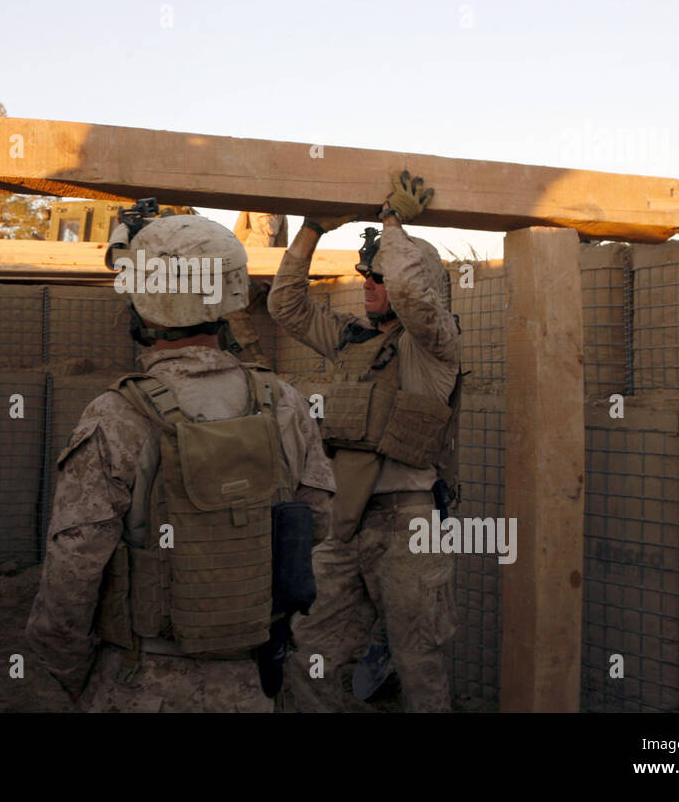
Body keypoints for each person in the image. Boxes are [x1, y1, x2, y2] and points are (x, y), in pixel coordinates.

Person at [25, 211, 335, 711]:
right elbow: (317, 524)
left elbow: (73, 569)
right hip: (252, 681)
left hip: (140, 682)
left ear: (144, 307)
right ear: (228, 295)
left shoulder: (116, 414)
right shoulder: (285, 402)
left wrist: (69, 673)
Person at [268, 172, 462, 712]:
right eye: (363, 274)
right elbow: (285, 306)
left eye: (375, 275)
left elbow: (411, 295)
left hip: (407, 526)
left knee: (418, 661)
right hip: (343, 525)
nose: (367, 283)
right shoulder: (354, 340)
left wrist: (393, 224)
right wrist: (310, 231)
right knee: (313, 652)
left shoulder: (435, 344)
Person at [226, 212, 289, 368]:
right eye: (263, 217)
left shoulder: (271, 233)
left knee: (232, 308)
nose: (268, 221)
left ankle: (257, 359)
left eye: (273, 216)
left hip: (261, 283)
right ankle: (254, 358)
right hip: (245, 282)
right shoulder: (246, 236)